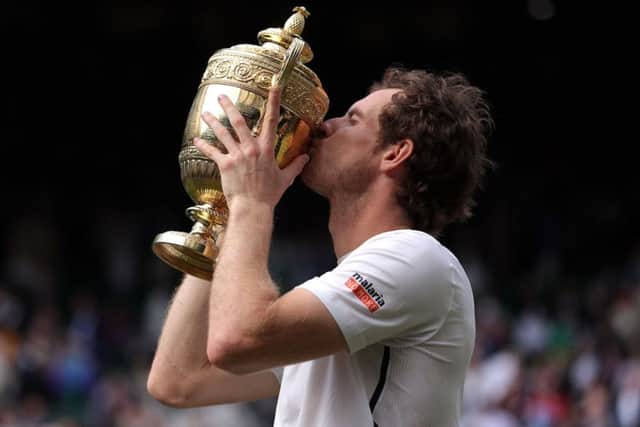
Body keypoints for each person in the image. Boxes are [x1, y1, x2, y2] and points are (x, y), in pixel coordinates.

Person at [147, 66, 494, 426]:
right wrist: (225, 211)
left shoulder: (417, 257)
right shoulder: (335, 302)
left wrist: (252, 203)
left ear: (395, 154)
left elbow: (237, 339)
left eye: (353, 120)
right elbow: (177, 381)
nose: (325, 126)